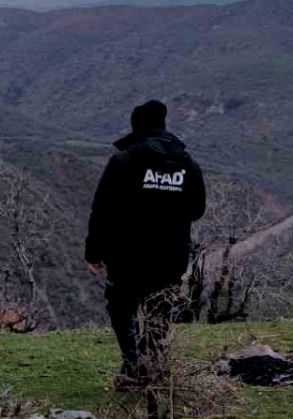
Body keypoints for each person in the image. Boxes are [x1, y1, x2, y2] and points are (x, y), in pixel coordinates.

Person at [85, 100, 206, 389]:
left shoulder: (123, 161)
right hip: (171, 254)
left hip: (127, 254)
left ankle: (134, 365)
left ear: (136, 126)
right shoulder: (188, 165)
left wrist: (94, 252)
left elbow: (102, 210)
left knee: (121, 307)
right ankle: (152, 367)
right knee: (160, 309)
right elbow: (198, 209)